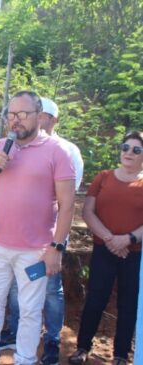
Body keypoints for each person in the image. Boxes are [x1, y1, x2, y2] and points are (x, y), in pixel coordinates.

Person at [0, 91, 76, 365]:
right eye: (11, 114)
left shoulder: (57, 151)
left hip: (36, 250)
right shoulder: (1, 146)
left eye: (22, 114)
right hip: (0, 244)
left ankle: (25, 359)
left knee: (29, 308)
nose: (15, 120)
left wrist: (57, 248)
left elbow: (68, 204)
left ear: (39, 116)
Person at [0, 96, 85, 365]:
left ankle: (51, 340)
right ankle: (17, 334)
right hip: (18, 234)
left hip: (50, 233)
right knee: (17, 285)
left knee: (49, 287)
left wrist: (56, 244)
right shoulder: (17, 145)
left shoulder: (65, 149)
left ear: (51, 118)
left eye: (42, 114)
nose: (32, 118)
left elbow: (66, 198)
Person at [68, 132, 143, 365]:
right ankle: (82, 348)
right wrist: (111, 239)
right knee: (95, 300)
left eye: (136, 150)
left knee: (129, 303)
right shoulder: (103, 177)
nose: (128, 153)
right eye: (125, 147)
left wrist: (128, 239)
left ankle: (121, 354)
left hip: (135, 254)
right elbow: (88, 212)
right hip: (104, 250)